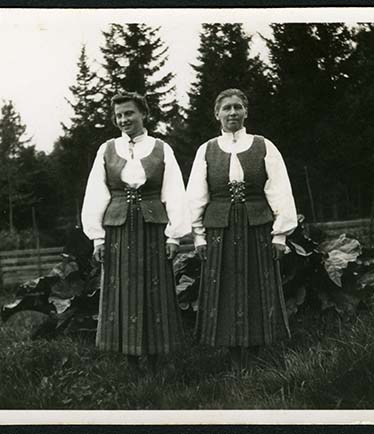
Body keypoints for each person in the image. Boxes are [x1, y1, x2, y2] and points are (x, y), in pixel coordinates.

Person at [186, 88, 298, 369]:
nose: (232, 112)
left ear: (246, 112)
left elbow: (279, 190)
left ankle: (256, 357)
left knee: (257, 287)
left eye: (238, 107)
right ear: (217, 114)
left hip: (256, 227)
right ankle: (234, 359)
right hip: (220, 230)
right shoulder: (207, 150)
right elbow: (196, 195)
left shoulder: (263, 146)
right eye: (226, 108)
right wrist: (198, 235)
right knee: (224, 289)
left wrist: (280, 234)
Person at [81, 91, 190, 374]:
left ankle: (154, 361)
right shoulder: (107, 150)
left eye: (129, 113)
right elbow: (96, 194)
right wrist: (98, 238)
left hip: (153, 230)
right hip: (118, 232)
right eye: (118, 115)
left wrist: (174, 235)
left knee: (154, 290)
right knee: (121, 290)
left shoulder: (161, 149)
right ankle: (130, 362)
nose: (123, 119)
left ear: (143, 114)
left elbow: (174, 192)